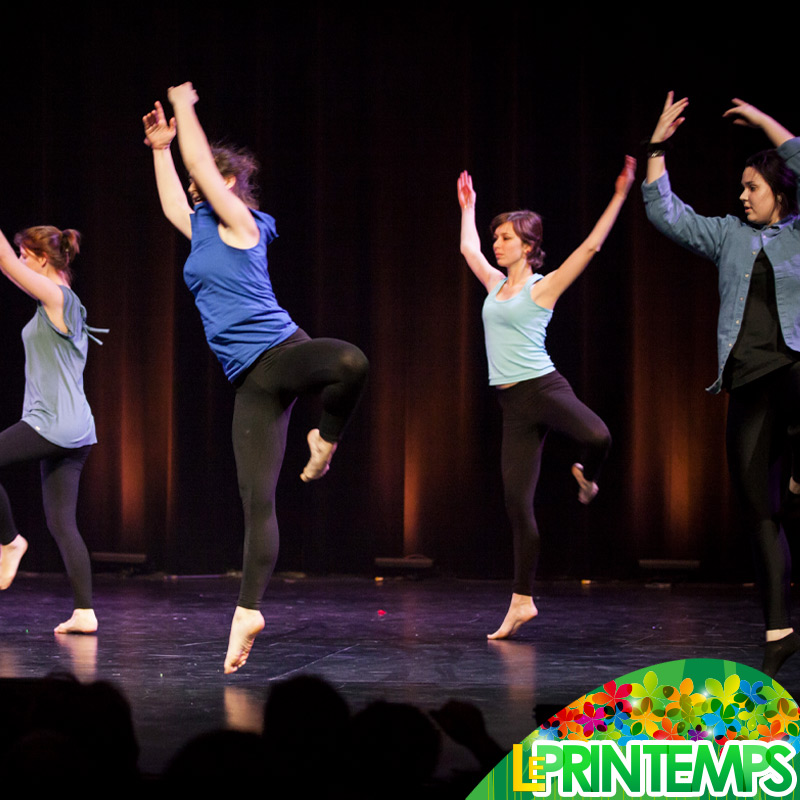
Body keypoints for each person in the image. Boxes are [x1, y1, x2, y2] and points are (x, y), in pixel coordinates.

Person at [143, 83, 368, 674]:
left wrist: (187, 109)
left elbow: (201, 170)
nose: (195, 194)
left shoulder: (244, 222)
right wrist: (161, 148)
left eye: (205, 185)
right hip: (251, 382)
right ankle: (247, 612)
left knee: (349, 362)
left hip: (282, 352)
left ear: (230, 186)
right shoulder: (200, 231)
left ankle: (325, 439)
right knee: (256, 500)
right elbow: (174, 200)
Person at [643, 93, 800, 677]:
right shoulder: (729, 235)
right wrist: (657, 145)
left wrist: (764, 122)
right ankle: (779, 628)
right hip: (747, 384)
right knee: (760, 510)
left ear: (779, 191)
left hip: (794, 373)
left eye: (752, 187)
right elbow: (666, 213)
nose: (741, 196)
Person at [458, 155, 635, 639]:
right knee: (518, 505)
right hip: (512, 407)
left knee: (598, 435)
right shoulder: (495, 286)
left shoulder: (544, 288)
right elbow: (468, 249)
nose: (496, 244)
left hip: (544, 388)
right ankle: (521, 601)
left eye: (506, 237)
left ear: (529, 245)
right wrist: (468, 208)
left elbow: (593, 245)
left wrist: (620, 193)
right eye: (496, 237)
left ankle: (587, 479)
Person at [0, 224, 104, 634]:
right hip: (76, 429)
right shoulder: (61, 303)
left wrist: (10, 259)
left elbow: (6, 263)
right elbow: (9, 266)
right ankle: (85, 612)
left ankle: (10, 541)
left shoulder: (58, 296)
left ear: (42, 259)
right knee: (62, 522)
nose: (22, 263)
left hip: (52, 423)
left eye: (27, 256)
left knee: (60, 521)